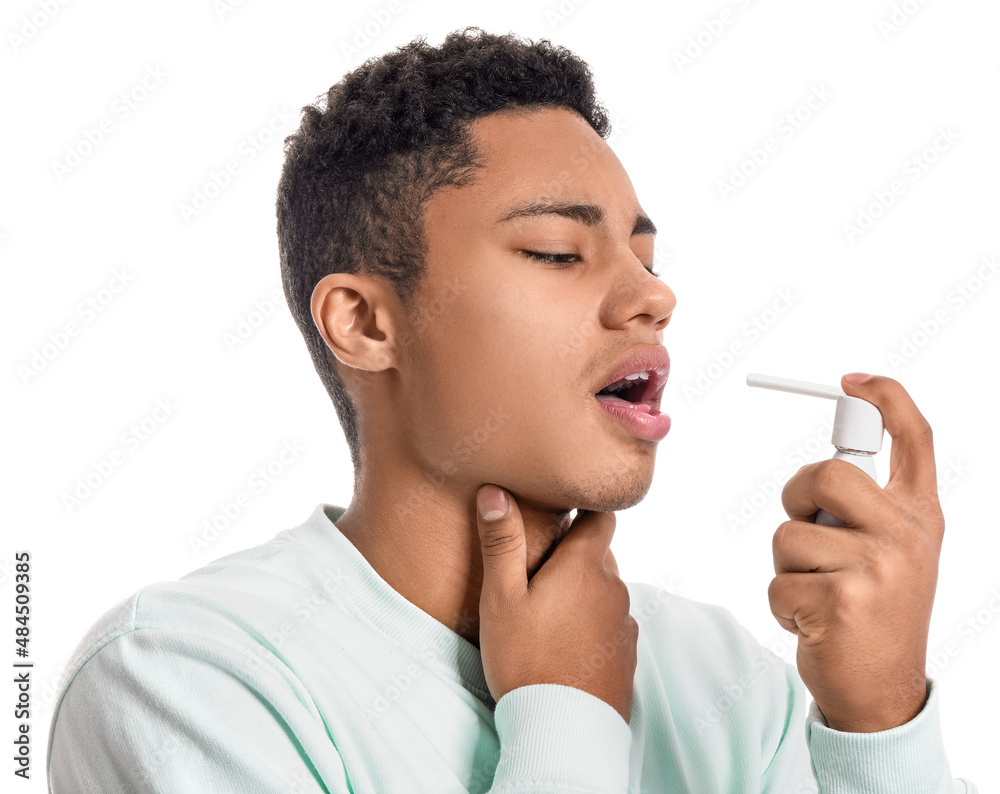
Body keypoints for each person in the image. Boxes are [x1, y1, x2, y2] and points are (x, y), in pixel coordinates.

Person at [47, 26, 976, 793]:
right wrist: (567, 713)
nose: (654, 297)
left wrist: (881, 721)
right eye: (558, 253)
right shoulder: (184, 680)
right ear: (366, 323)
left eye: (645, 257)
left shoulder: (718, 678)